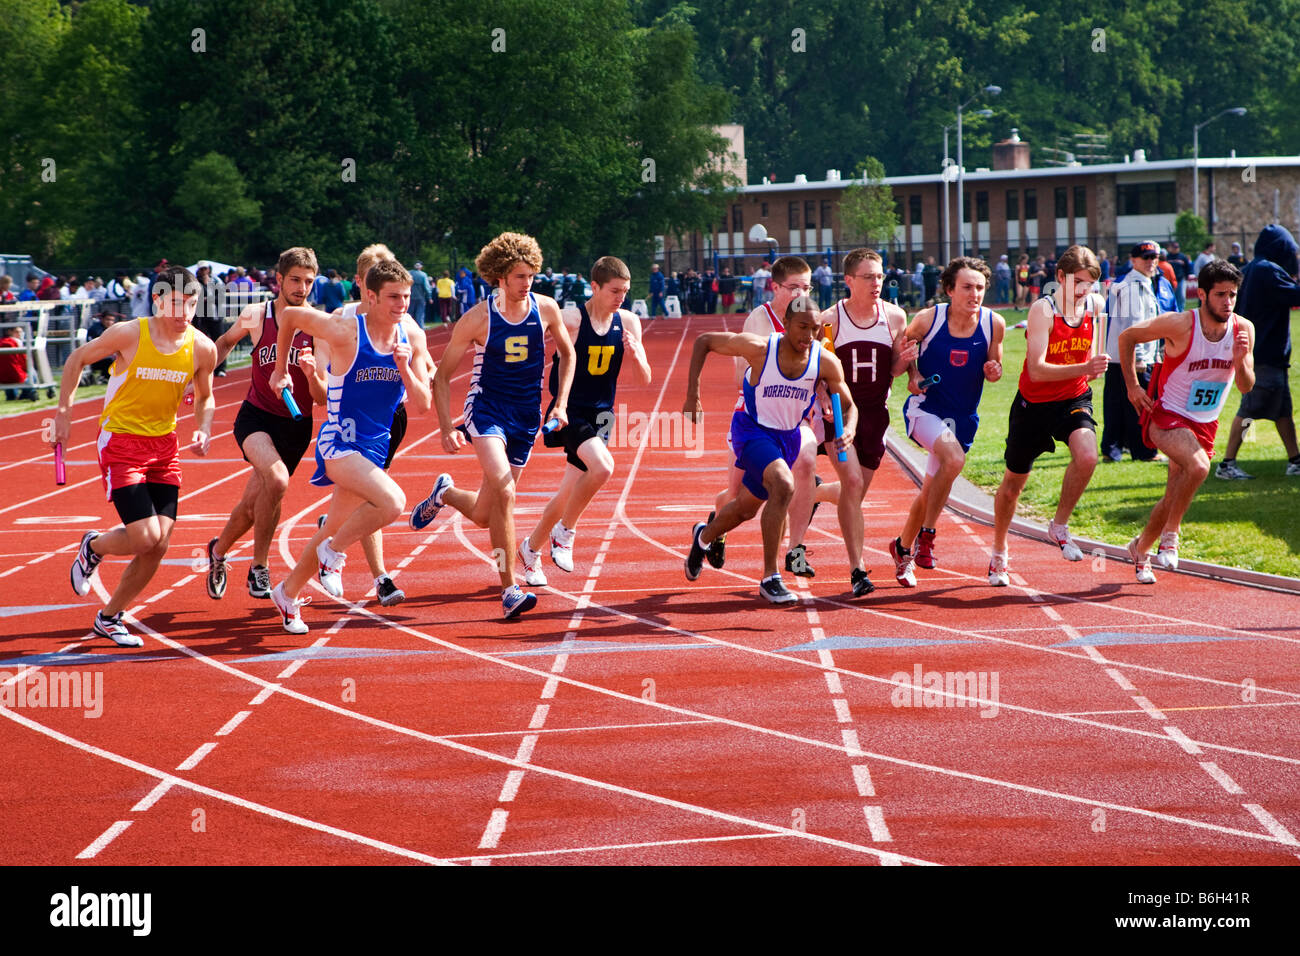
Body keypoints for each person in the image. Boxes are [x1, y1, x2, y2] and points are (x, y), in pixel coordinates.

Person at [410, 232, 575, 619]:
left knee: (487, 512)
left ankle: (445, 494)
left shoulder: (546, 309)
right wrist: (446, 426)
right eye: (519, 276)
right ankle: (509, 589)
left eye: (531, 275)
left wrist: (561, 404)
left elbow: (568, 355)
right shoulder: (478, 319)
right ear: (500, 276)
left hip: (526, 416)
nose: (527, 283)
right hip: (485, 410)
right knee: (504, 490)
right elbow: (441, 375)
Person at [267, 258, 434, 632]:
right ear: (370, 296)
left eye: (406, 297)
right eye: (393, 297)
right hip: (340, 443)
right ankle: (334, 554)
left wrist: (405, 368)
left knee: (331, 528)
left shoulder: (412, 337)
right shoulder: (345, 329)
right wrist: (281, 369)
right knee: (392, 502)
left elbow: (422, 404)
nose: (401, 305)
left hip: (375, 446)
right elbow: (291, 317)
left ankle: (288, 592)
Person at [58, 265, 217, 646]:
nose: (183, 313)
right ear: (158, 300)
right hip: (122, 444)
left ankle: (109, 616)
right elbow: (76, 359)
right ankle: (93, 546)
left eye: (191, 304)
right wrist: (63, 413)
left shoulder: (202, 347)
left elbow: (207, 395)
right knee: (146, 537)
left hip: (165, 447)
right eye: (176, 303)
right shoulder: (130, 333)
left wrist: (204, 426)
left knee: (159, 545)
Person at [683, 293, 856, 604]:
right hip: (751, 430)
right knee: (783, 485)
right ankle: (769, 577)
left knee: (744, 510)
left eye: (814, 328)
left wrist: (850, 428)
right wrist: (692, 395)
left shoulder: (825, 361)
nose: (808, 335)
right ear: (786, 324)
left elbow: (848, 403)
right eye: (801, 327)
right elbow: (704, 341)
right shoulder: (761, 348)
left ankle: (704, 537)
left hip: (787, 437)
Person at [519, 256, 652, 585]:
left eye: (625, 291)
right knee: (604, 468)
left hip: (603, 414)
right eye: (614, 291)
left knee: (567, 493)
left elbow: (645, 379)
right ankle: (565, 532)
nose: (620, 297)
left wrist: (636, 355)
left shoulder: (629, 322)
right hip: (571, 410)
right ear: (594, 287)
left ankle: (530, 548)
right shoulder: (573, 318)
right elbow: (530, 330)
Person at [1120, 260, 1254, 583]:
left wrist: (1240, 361)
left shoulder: (1243, 329)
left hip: (1204, 423)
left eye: (1233, 295)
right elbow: (1127, 338)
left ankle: (1140, 549)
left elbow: (1246, 385)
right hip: (1167, 414)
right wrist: (1132, 386)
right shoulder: (1180, 324)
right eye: (1221, 295)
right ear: (1203, 294)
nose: (1228, 302)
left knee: (1172, 497)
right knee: (1199, 468)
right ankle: (1171, 535)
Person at [205, 247, 326, 602]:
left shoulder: (318, 325)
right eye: (294, 280)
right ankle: (260, 566)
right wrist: (198, 379)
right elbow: (225, 343)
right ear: (278, 280)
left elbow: (320, 397)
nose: (301, 287)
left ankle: (217, 551)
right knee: (276, 479)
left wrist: (309, 372)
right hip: (256, 416)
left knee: (252, 505)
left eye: (308, 281)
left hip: (296, 425)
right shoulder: (257, 315)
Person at [709, 255, 838, 580]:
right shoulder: (760, 319)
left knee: (804, 464)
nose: (800, 293)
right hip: (755, 415)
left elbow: (824, 365)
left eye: (806, 287)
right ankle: (715, 527)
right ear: (775, 287)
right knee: (738, 498)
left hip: (796, 416)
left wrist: (822, 389)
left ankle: (795, 549)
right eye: (793, 287)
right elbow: (745, 371)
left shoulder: (815, 319)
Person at [988, 246, 1109, 585]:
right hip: (1033, 404)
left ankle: (1059, 524)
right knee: (1013, 485)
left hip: (1072, 397)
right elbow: (1037, 370)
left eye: (1090, 283)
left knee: (1087, 456)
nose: (1084, 290)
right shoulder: (1044, 309)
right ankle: (999, 551)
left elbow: (1095, 360)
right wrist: (1085, 366)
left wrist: (1094, 366)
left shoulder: (1096, 306)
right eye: (1078, 283)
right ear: (1060, 278)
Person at [889, 257, 1005, 586]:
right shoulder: (928, 319)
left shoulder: (993, 323)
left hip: (963, 419)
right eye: (967, 287)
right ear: (950, 290)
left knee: (930, 492)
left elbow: (995, 366)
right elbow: (902, 354)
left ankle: (903, 549)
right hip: (925, 410)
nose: (975, 294)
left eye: (980, 288)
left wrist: (993, 371)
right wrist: (913, 375)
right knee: (954, 458)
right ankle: (928, 536)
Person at [818, 249, 916, 596]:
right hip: (840, 413)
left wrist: (907, 363)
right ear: (848, 281)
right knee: (853, 482)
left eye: (880, 276)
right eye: (868, 277)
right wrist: (822, 402)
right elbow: (819, 370)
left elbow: (894, 370)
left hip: (875, 414)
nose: (877, 283)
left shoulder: (894, 317)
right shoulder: (829, 319)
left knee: (852, 493)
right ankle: (857, 570)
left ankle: (814, 493)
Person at [1217, 224, 1300, 480]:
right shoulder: (1269, 270)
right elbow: (1295, 296)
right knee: (1249, 411)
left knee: (1282, 410)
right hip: (1265, 354)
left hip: (1257, 352)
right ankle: (1227, 464)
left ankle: (1295, 460)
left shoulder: (1250, 269)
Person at [1102, 240, 1177, 463]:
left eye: (1154, 258)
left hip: (1120, 356)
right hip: (1133, 357)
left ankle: (1112, 449)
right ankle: (1144, 451)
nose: (1150, 262)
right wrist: (1140, 358)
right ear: (1133, 260)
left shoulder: (1138, 282)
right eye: (1145, 258)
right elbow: (1133, 326)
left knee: (1116, 405)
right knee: (1140, 405)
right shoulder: (1133, 286)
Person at [1167, 241, 1192, 311]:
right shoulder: (1168, 257)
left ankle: (1181, 311)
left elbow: (1188, 267)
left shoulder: (1182, 257)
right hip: (1170, 281)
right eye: (1174, 247)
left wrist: (1186, 276)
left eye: (1177, 247)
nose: (1176, 249)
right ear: (1171, 248)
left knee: (1181, 297)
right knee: (1171, 297)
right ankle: (1173, 311)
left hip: (1181, 279)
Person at [408, 261, 433, 327]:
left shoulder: (409, 273)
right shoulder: (423, 275)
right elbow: (426, 287)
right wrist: (429, 297)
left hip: (410, 297)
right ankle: (420, 329)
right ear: (421, 267)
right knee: (420, 315)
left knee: (409, 314)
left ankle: (408, 328)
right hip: (420, 297)